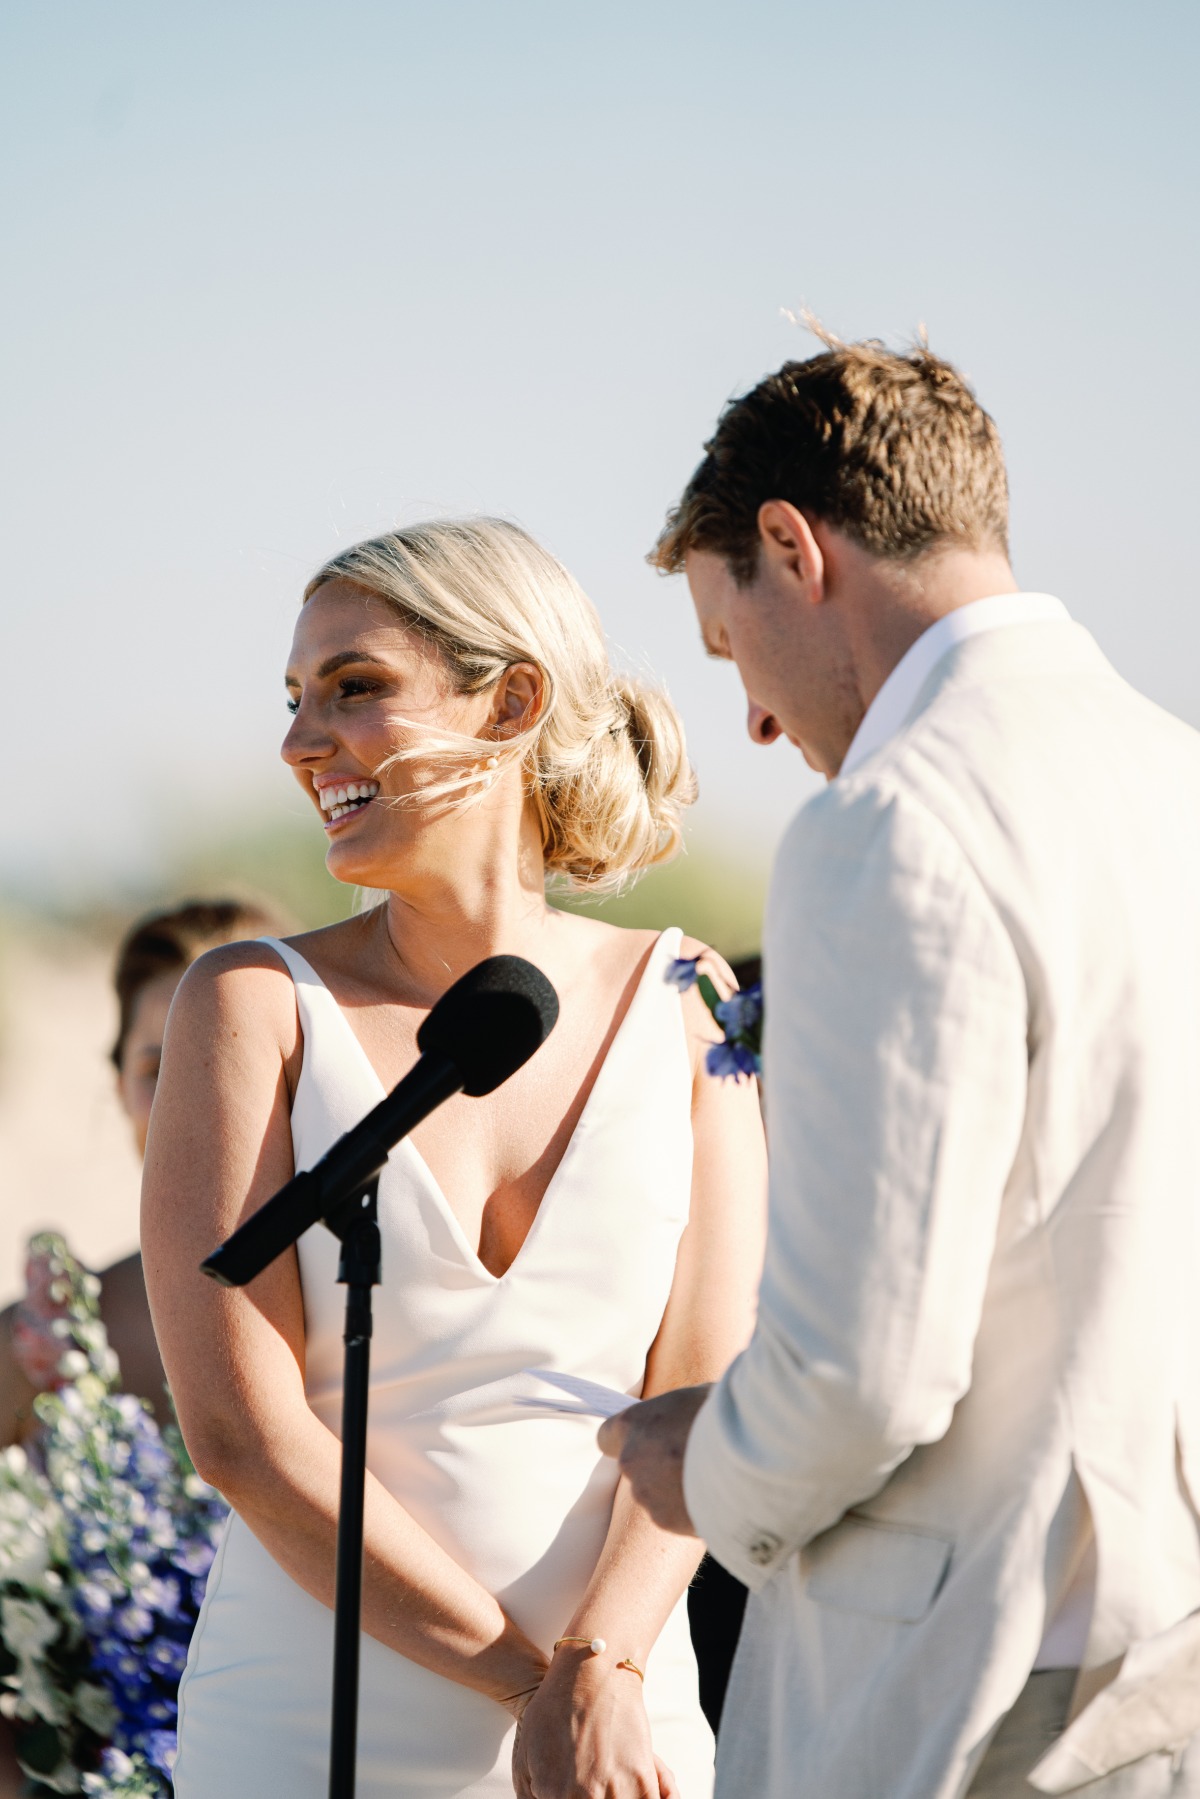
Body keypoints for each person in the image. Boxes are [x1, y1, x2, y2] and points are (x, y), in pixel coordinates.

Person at [601, 330, 1200, 1797]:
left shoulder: (895, 823)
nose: (747, 713)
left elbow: (870, 1369)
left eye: (727, 641)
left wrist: (712, 1464)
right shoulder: (1173, 772)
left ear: (793, 548)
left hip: (968, 1679)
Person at [141, 518, 767, 1799]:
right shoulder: (250, 1003)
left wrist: (602, 1668)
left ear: (513, 701)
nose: (301, 740)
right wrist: (529, 1683)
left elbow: (705, 1387)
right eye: (295, 698)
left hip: (620, 1736)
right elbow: (240, 1432)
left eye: (355, 687)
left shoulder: (688, 1000)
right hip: (307, 1730)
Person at [0, 897, 278, 1798]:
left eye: (218, 1061)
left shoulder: (365, 1316)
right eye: (154, 1066)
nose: (183, 1101)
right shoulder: (38, 1339)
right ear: (115, 1079)